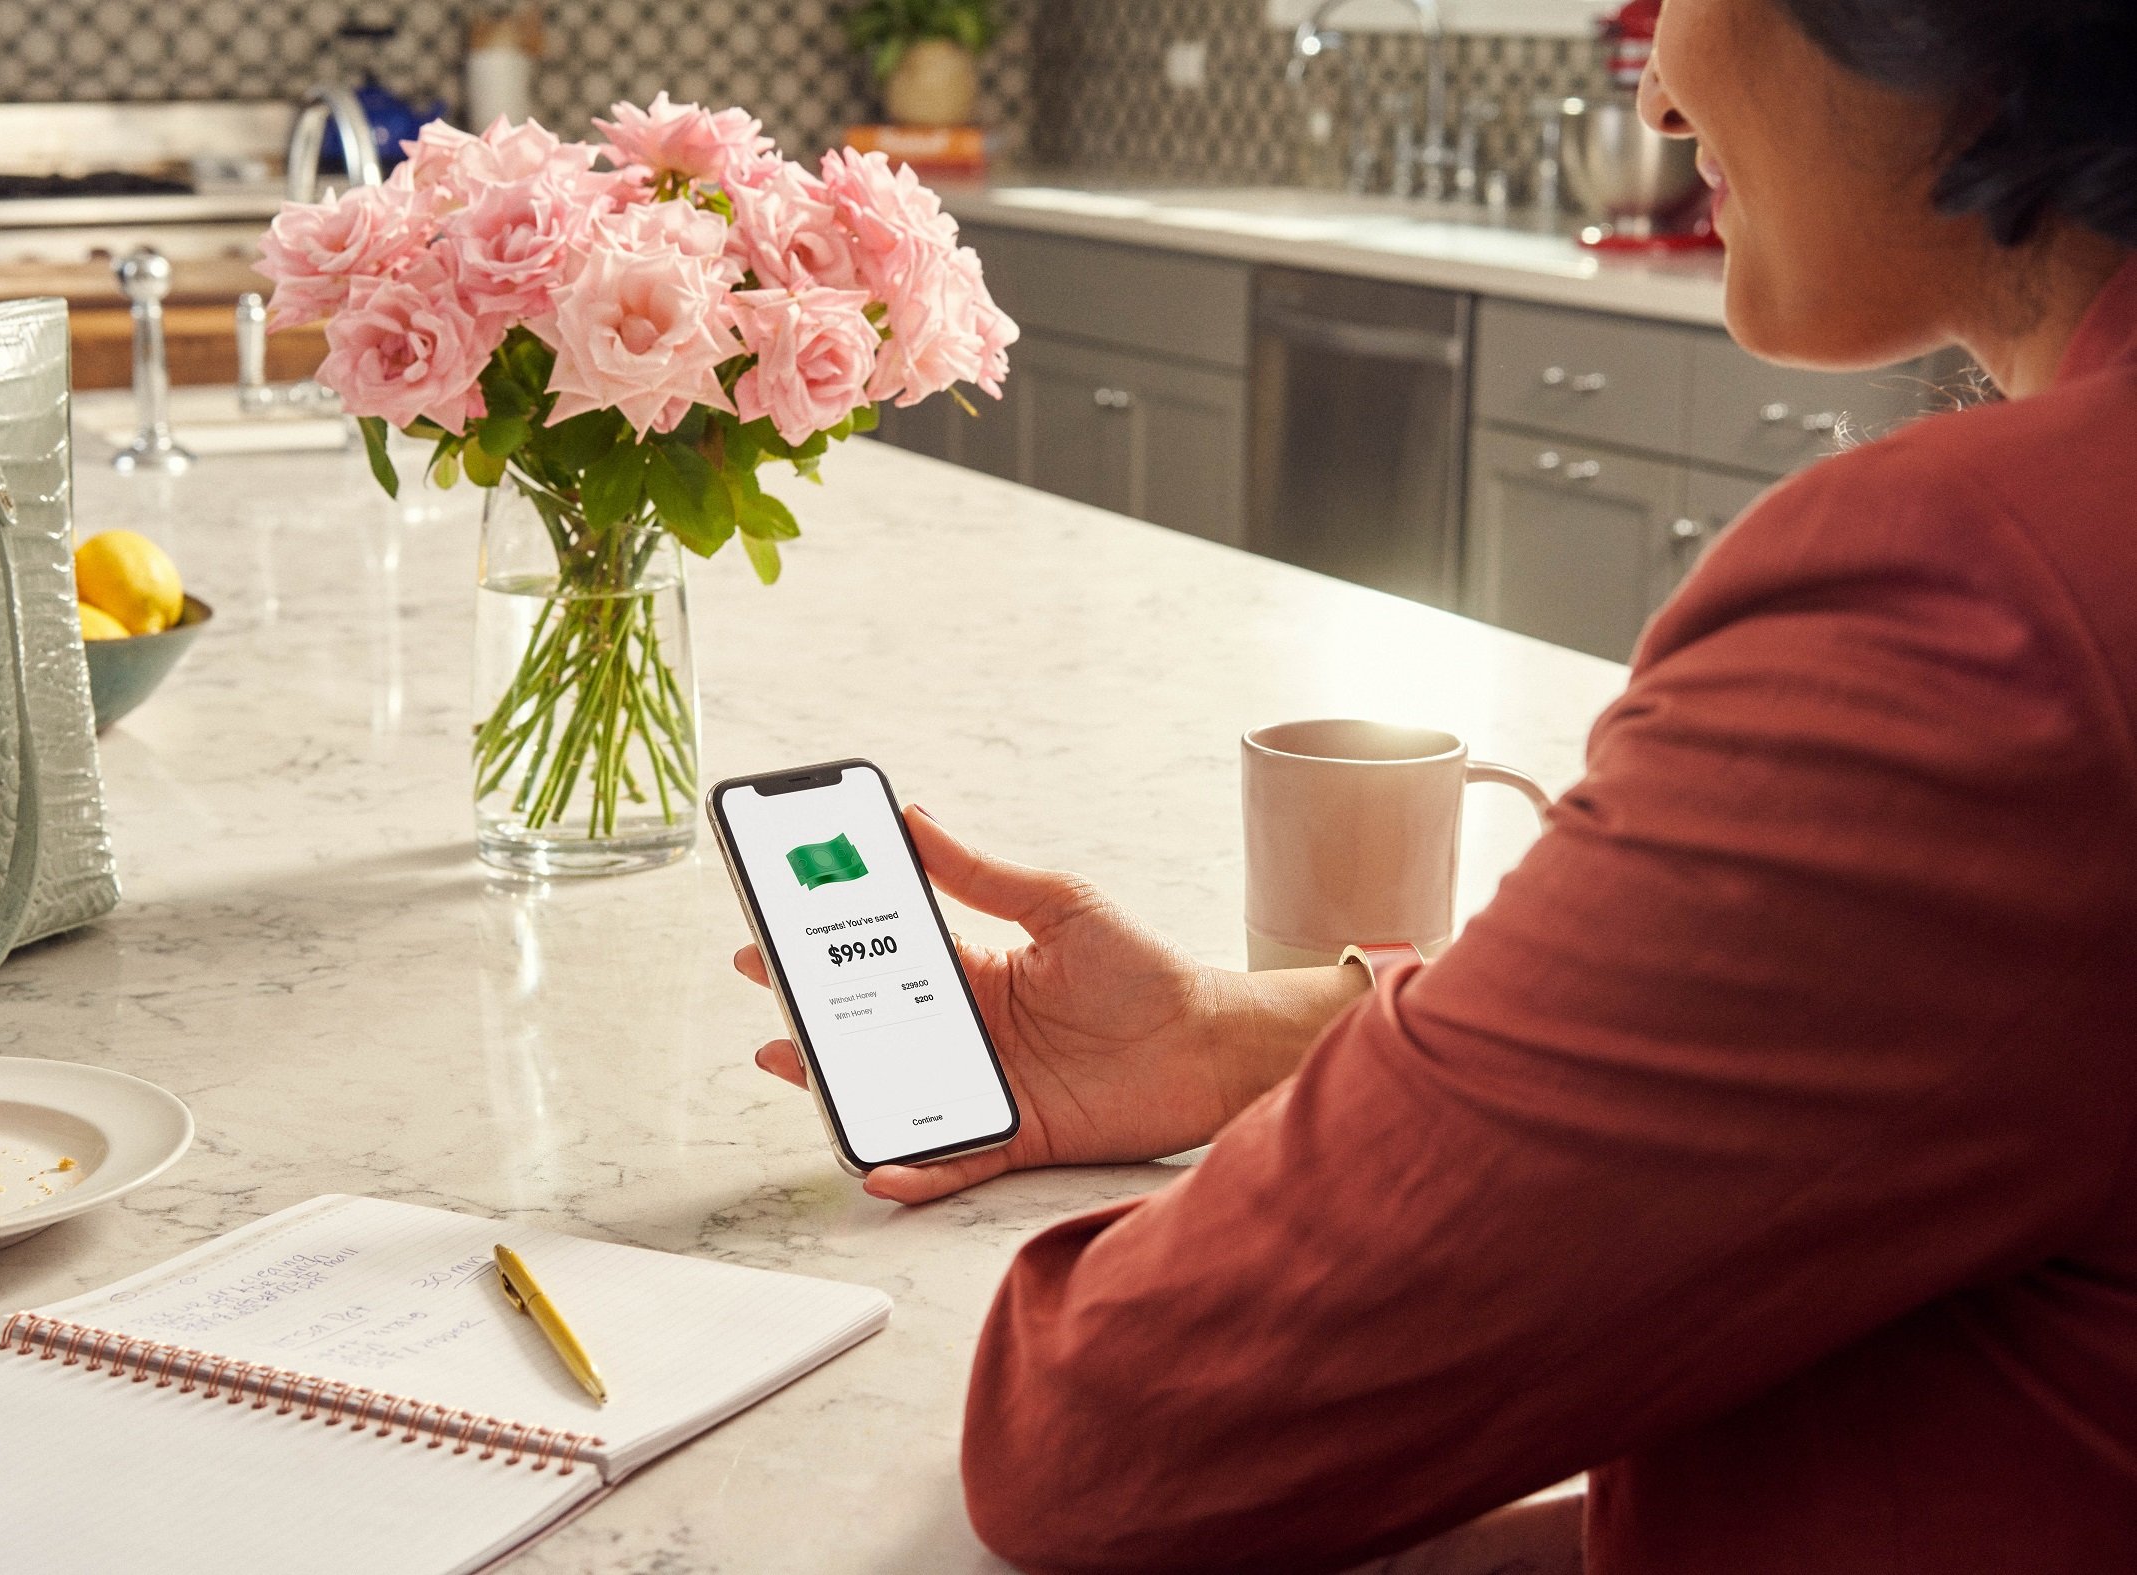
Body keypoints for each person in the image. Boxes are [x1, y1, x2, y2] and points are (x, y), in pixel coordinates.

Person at [733, 0, 2137, 1568]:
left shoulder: (1974, 602)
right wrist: (1235, 1032)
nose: (1658, 90)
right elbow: (1935, 1035)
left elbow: (1103, 1426)